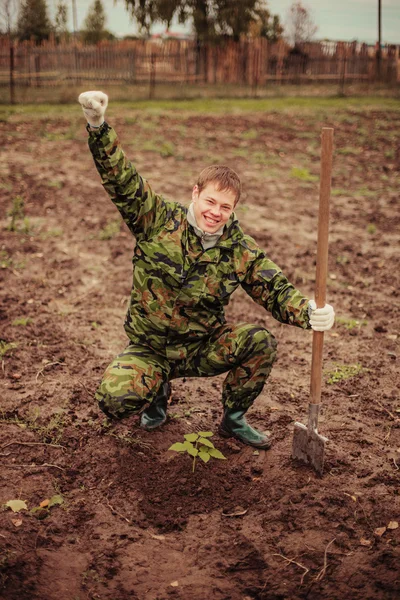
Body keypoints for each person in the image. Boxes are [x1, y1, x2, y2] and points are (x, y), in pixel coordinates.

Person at [78, 91, 335, 450]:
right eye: (210, 201)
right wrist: (98, 126)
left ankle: (233, 419)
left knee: (260, 341)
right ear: (195, 193)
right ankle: (156, 393)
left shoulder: (237, 247)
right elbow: (122, 181)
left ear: (233, 209)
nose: (215, 212)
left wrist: (309, 311)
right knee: (114, 399)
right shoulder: (156, 219)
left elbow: (274, 289)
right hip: (149, 348)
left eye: (225, 207)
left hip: (200, 347)